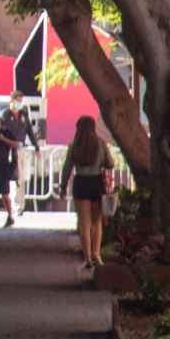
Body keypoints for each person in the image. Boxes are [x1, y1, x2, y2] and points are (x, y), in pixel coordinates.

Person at [59, 115, 109, 270]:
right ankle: (96, 254)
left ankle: (87, 258)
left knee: (84, 224)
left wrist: (63, 186)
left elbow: (67, 167)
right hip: (96, 182)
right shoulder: (100, 144)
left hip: (80, 182)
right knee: (96, 222)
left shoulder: (74, 145)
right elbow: (110, 163)